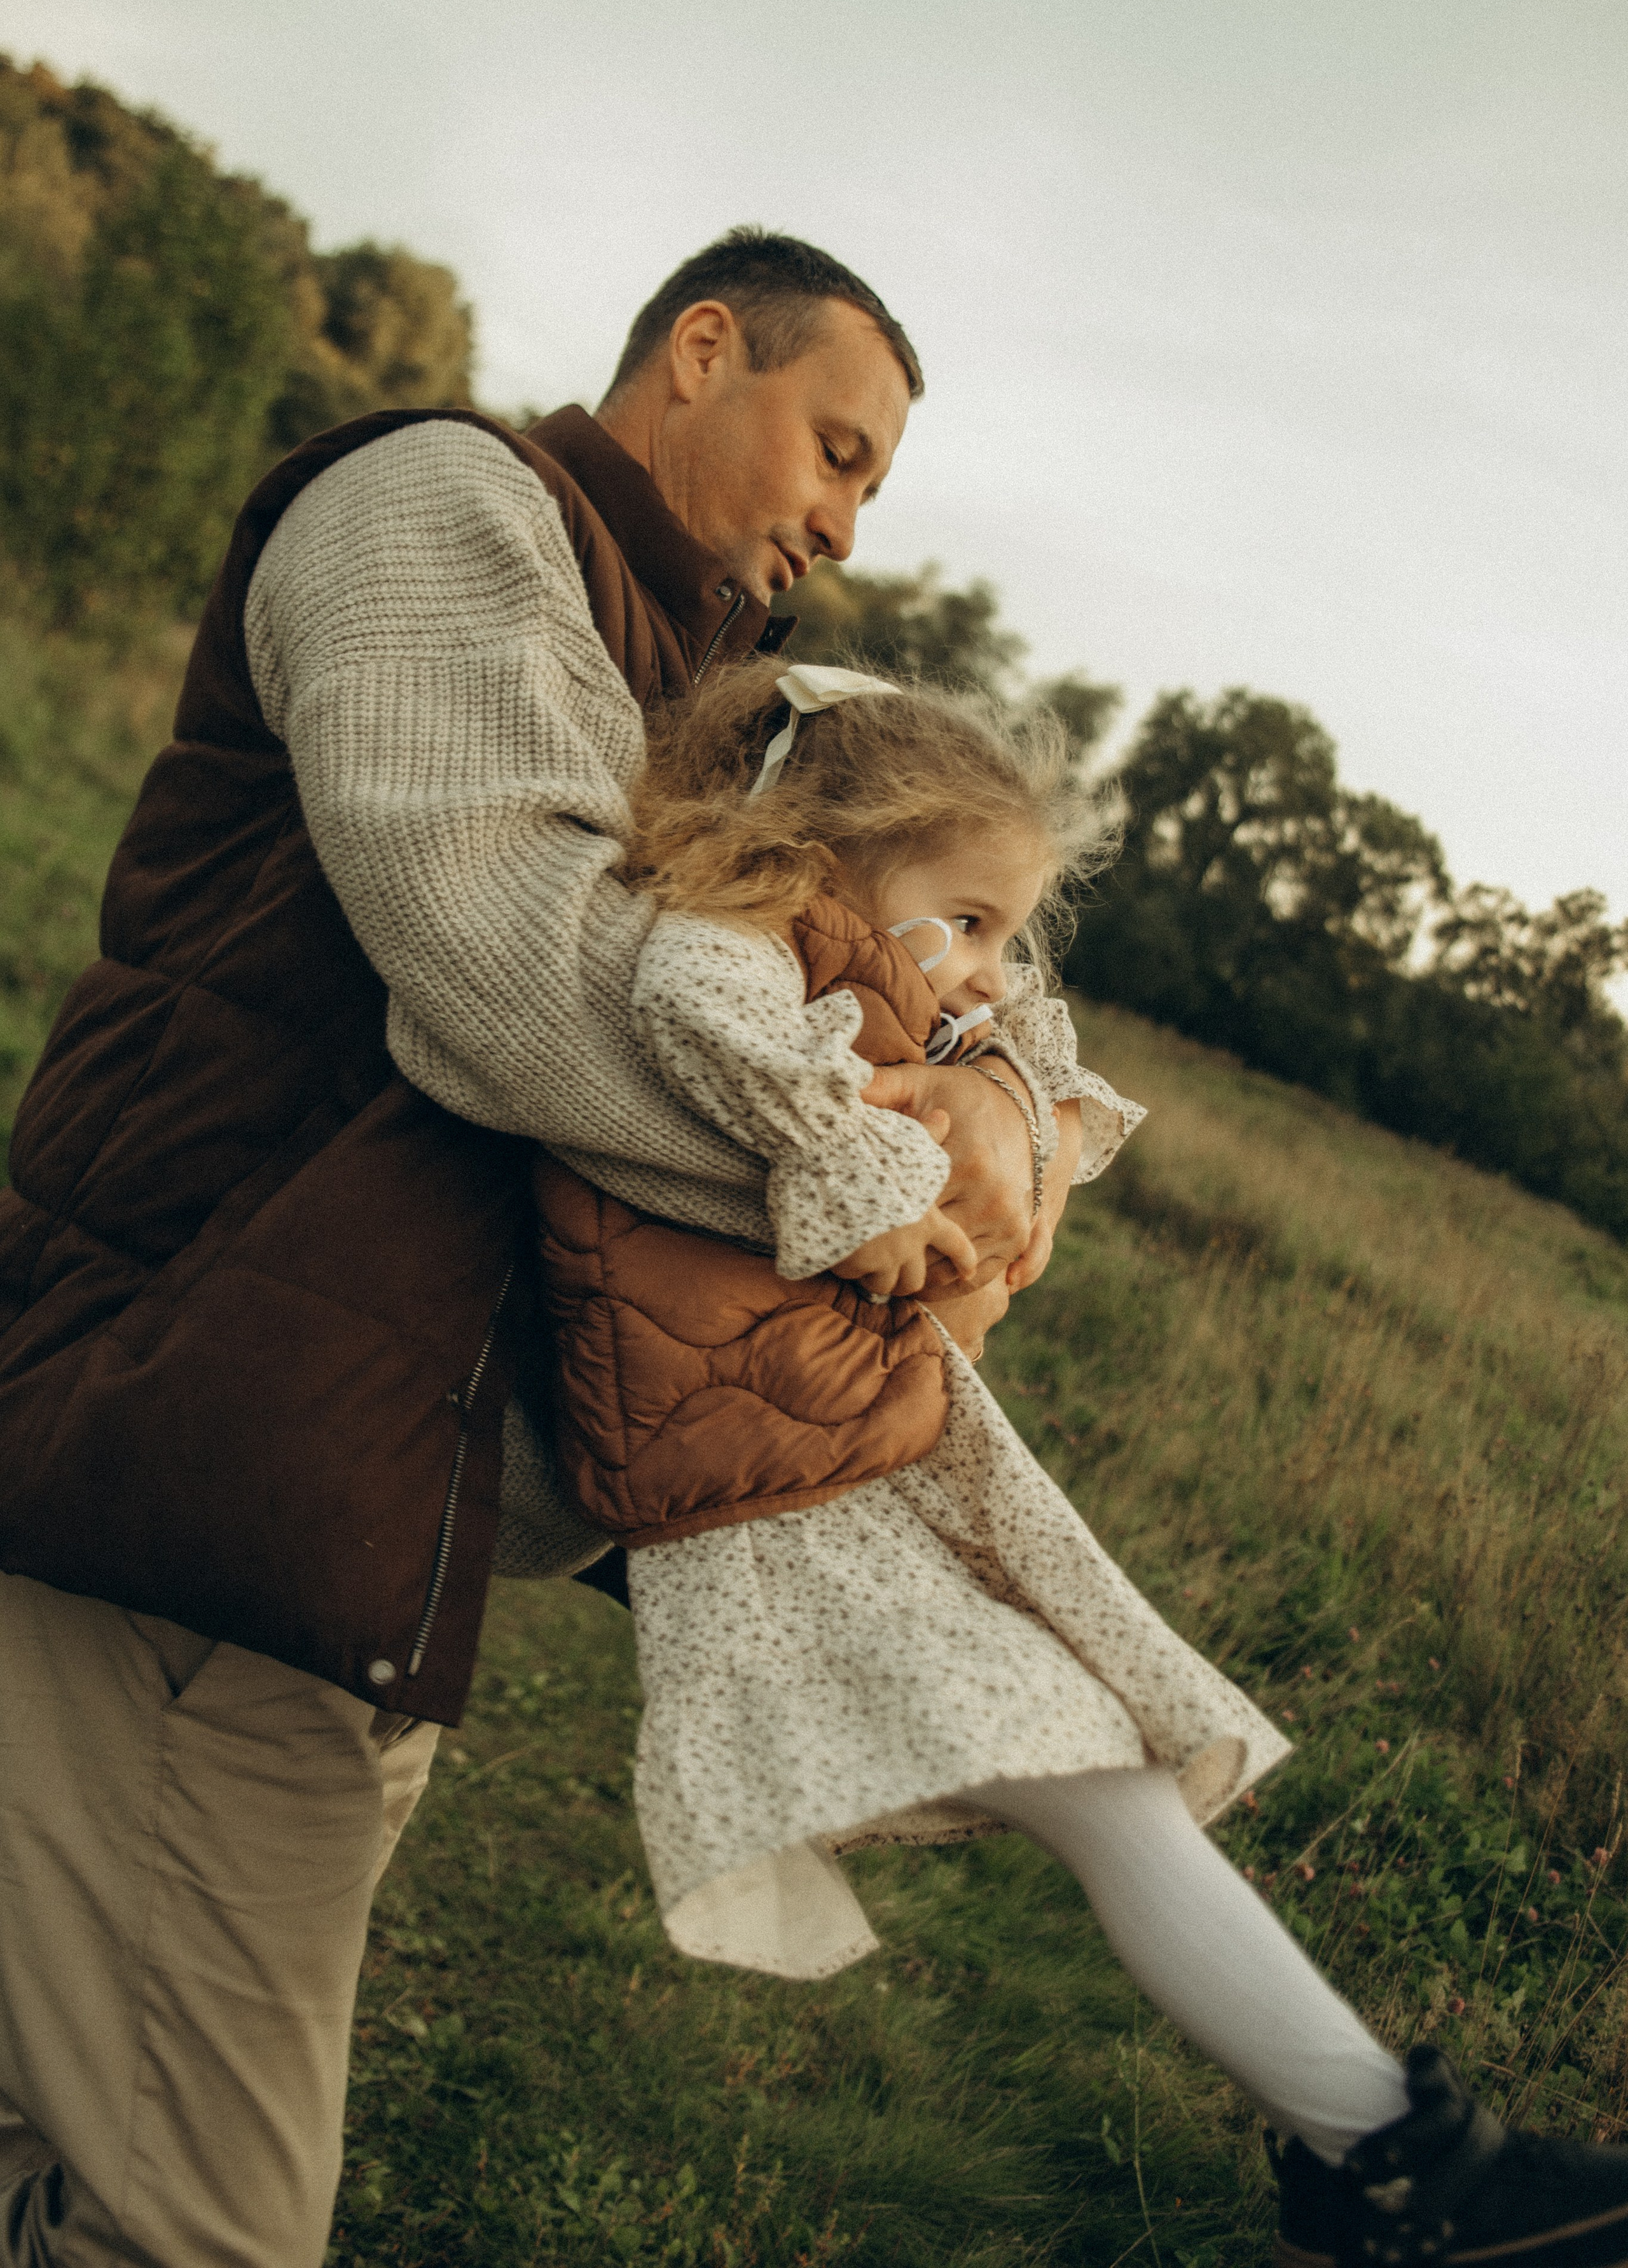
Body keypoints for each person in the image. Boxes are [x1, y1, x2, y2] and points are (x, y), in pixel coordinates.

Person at [0, 230, 1065, 2268]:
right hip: (199, 1493)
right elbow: (516, 971)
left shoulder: (710, 699)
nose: (841, 524)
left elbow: (965, 943)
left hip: (348, 1525)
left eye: (872, 491)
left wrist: (1010, 1107)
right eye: (834, 449)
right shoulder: (443, 507)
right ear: (698, 347)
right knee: (194, 2227)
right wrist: (905, 1193)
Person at [529, 656, 1628, 2268]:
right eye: (964, 918)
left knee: (1105, 1772)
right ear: (829, 848)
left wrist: (991, 1101)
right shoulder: (730, 942)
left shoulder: (861, 969)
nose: (987, 966)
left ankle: (1388, 2161)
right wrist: (868, 1170)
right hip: (757, 1493)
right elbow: (702, 1022)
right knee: (1104, 1780)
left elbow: (1039, 1112)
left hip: (802, 1456)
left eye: (1003, 930)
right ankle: (1401, 2172)